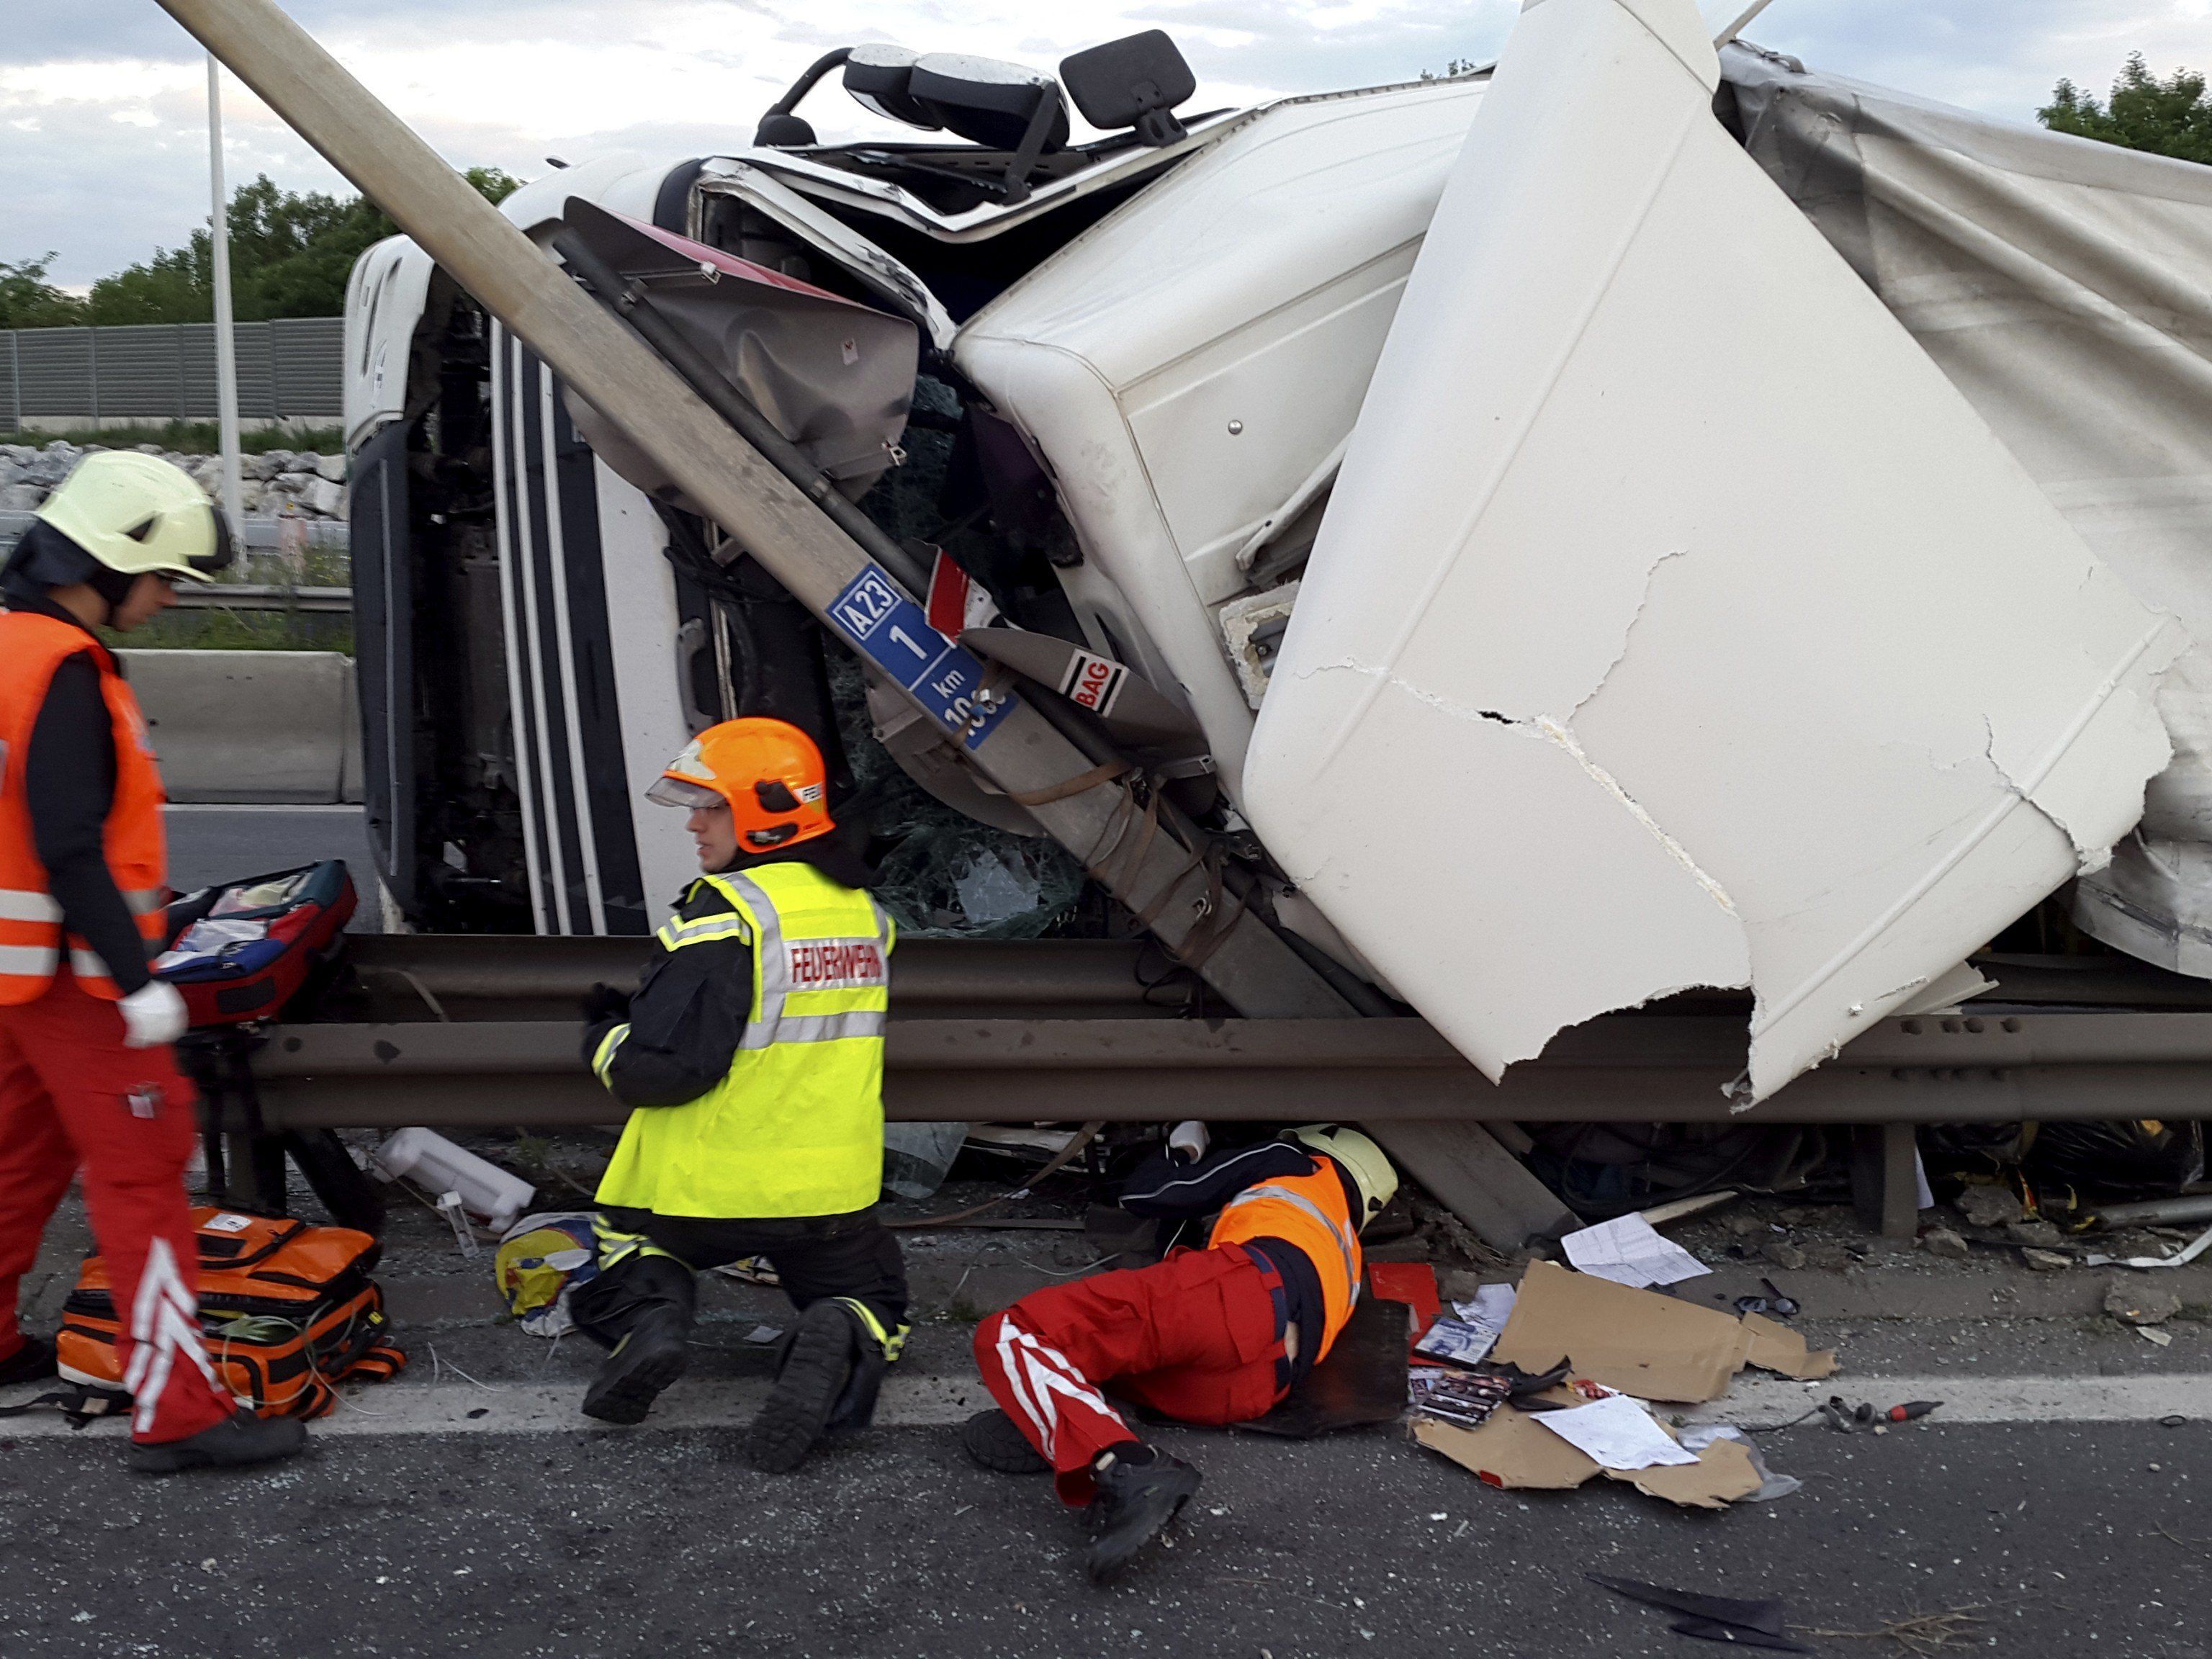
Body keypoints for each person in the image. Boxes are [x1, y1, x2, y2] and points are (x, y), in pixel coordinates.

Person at [0, 452, 305, 1473]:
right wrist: (137, 986)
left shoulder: (7, 642)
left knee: (15, 1170)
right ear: (112, 558)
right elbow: (70, 841)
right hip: (81, 984)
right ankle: (176, 1410)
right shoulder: (69, 668)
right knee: (142, 1183)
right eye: (166, 578)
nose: (170, 598)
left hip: (12, 977)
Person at [573, 716, 908, 1473]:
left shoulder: (726, 915)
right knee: (879, 1305)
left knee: (626, 1246)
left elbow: (659, 1072)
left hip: (705, 1196)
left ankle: (655, 1324)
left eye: (711, 806)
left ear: (764, 811)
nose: (694, 823)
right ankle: (839, 1323)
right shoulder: (865, 915)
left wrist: (600, 1040)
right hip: (831, 1198)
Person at [966, 1124, 1398, 1581]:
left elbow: (1148, 1196)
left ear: (1321, 1146)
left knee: (1013, 1333)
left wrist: (1182, 1149)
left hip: (1245, 1294)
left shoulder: (1293, 1162)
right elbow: (1178, 1258)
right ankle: (1078, 1435)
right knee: (1097, 1357)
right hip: (1254, 1389)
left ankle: (1125, 1464)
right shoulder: (1345, 1249)